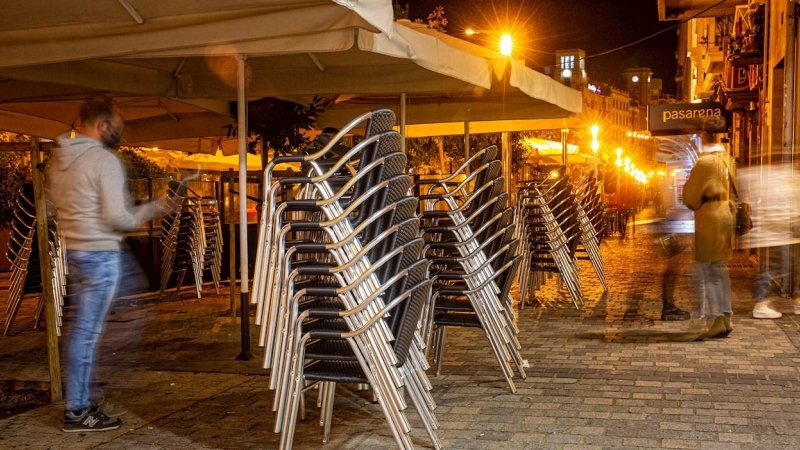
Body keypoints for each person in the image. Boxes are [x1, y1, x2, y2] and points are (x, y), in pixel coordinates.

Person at [47, 99, 177, 432]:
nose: (120, 129)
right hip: (101, 255)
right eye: (117, 123)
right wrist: (156, 207)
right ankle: (78, 407)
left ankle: (85, 390)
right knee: (95, 331)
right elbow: (118, 217)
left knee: (87, 330)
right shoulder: (103, 160)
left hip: (75, 252)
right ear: (103, 125)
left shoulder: (60, 160)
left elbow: (51, 207)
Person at [681, 144, 734, 339]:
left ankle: (716, 319)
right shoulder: (727, 160)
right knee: (720, 270)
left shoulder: (705, 162)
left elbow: (691, 197)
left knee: (705, 270)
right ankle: (727, 316)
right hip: (727, 213)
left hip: (710, 217)